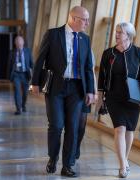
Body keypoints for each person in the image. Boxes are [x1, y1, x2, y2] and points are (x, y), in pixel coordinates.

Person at [31, 6, 94, 178]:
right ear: (74, 19)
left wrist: (91, 91)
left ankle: (67, 165)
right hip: (55, 87)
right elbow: (40, 59)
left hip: (76, 89)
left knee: (73, 128)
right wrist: (34, 82)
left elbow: (88, 67)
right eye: (85, 19)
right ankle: (53, 158)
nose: (87, 23)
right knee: (56, 125)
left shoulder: (85, 40)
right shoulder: (53, 34)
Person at [97, 22, 140, 178]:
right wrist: (100, 98)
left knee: (129, 130)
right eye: (116, 31)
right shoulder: (108, 53)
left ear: (129, 35)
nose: (117, 34)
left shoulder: (138, 52)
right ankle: (122, 166)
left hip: (133, 99)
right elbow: (102, 78)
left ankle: (125, 159)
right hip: (114, 97)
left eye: (120, 32)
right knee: (119, 129)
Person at [75, 50, 98, 160]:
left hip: (85, 91)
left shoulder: (87, 48)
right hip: (70, 90)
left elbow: (92, 71)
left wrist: (95, 91)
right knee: (70, 123)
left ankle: (76, 146)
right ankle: (70, 147)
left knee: (81, 123)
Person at [8, 35, 33, 115]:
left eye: (20, 41)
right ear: (15, 43)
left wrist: (36, 74)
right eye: (17, 41)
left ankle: (23, 105)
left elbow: (32, 63)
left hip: (25, 74)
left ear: (23, 42)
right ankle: (18, 109)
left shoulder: (27, 51)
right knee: (17, 91)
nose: (19, 43)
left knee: (25, 92)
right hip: (16, 74)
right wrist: (9, 77)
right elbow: (9, 65)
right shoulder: (12, 52)